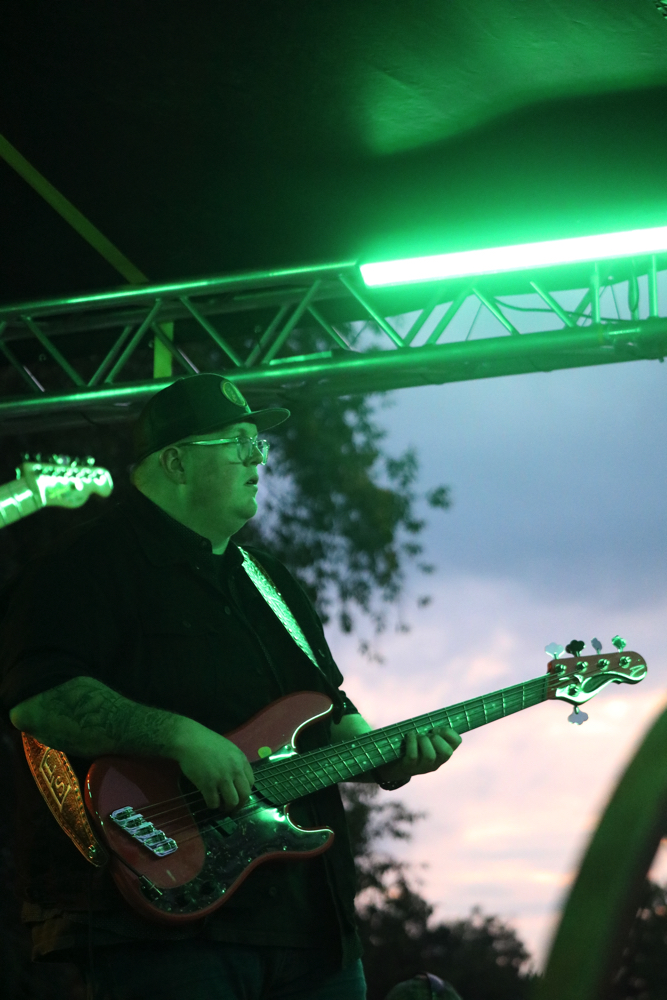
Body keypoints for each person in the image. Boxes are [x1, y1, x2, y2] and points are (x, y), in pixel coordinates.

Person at [0, 373, 462, 1000]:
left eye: (259, 444)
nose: (258, 459)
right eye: (239, 443)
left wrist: (390, 757)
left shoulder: (271, 581)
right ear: (176, 462)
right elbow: (41, 698)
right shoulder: (82, 566)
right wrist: (180, 737)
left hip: (309, 926)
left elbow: (328, 713)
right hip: (161, 926)